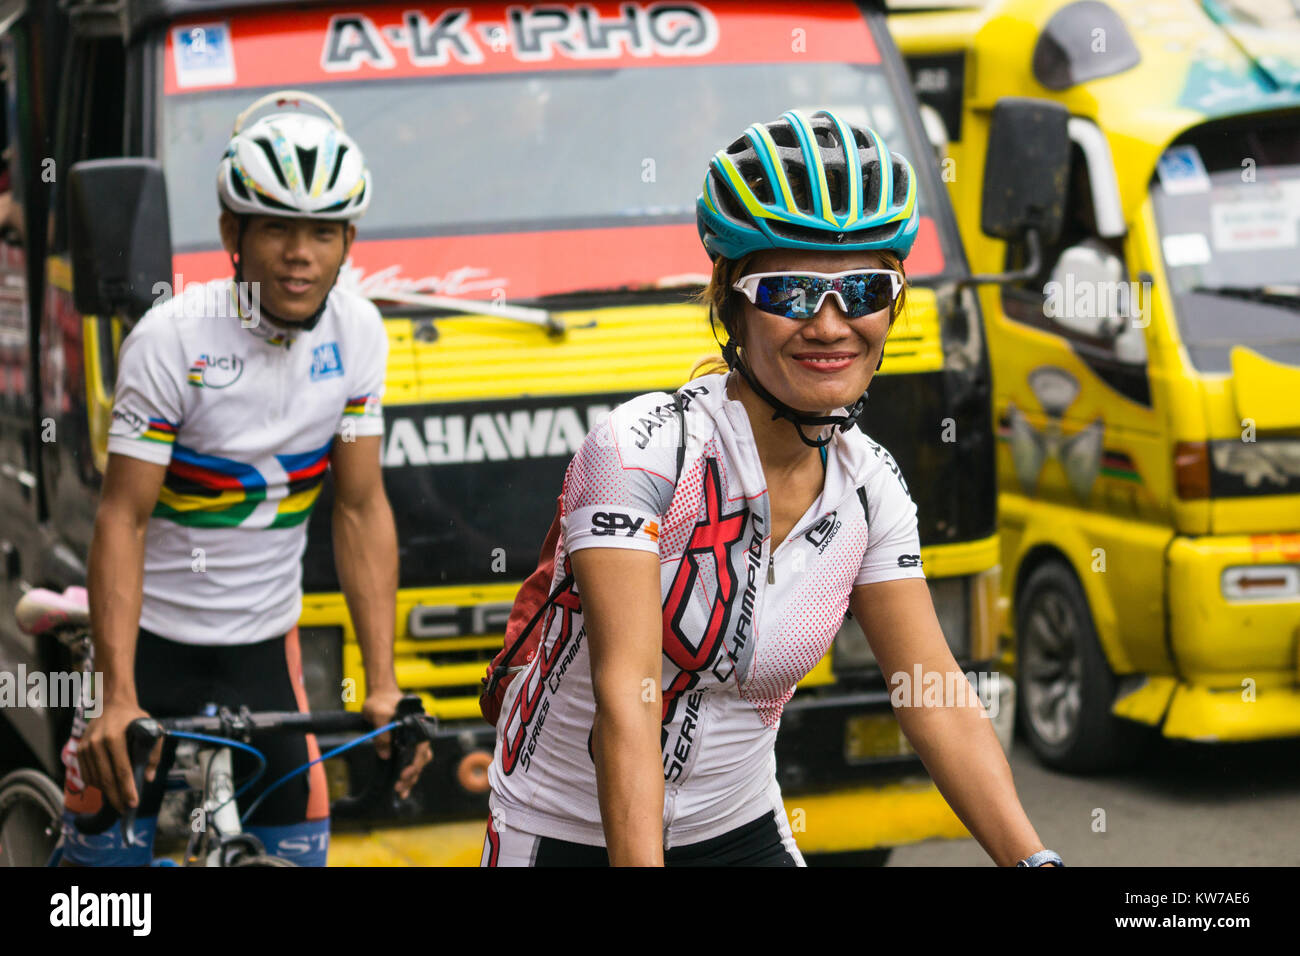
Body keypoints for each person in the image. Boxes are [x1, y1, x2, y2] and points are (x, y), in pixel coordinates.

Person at [481, 109, 1062, 867]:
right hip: (570, 832)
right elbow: (628, 699)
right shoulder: (644, 451)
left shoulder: (869, 487)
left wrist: (1035, 862)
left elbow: (932, 694)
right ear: (730, 304)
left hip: (739, 824)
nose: (829, 325)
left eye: (863, 290)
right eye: (789, 292)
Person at [58, 90, 430, 866]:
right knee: (101, 893)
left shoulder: (359, 334)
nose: (301, 253)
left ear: (348, 240)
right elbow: (121, 518)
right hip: (148, 644)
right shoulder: (172, 340)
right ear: (232, 232)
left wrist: (384, 685)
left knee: (293, 854)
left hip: (264, 652)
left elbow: (360, 508)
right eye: (277, 228)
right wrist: (116, 696)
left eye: (323, 231)